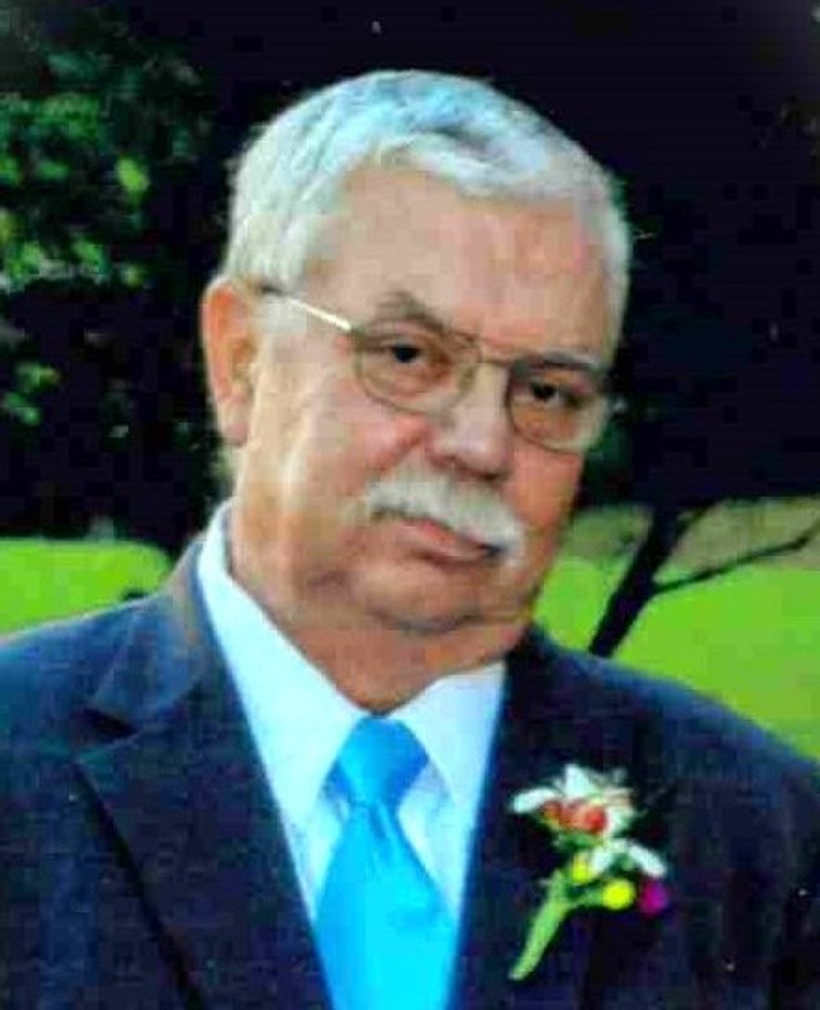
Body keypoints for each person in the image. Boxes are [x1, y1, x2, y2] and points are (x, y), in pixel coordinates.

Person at [0, 70, 817, 1009]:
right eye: (409, 355)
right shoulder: (19, 768)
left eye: (547, 391)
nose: (481, 444)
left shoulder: (759, 837)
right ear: (241, 362)